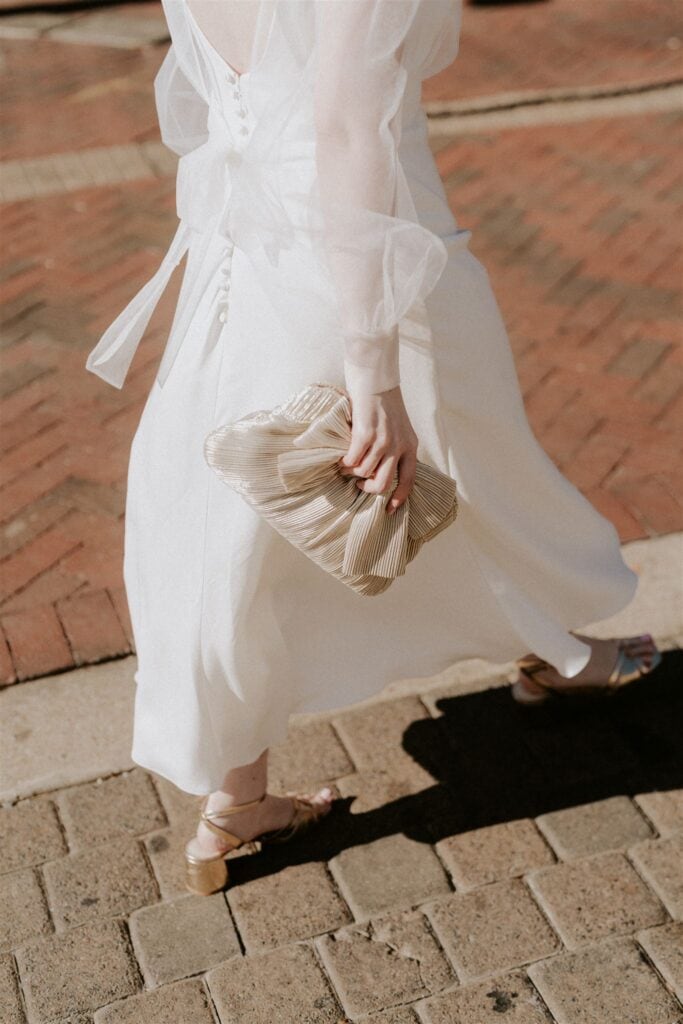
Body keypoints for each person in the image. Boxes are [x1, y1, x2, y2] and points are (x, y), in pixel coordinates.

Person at [85, 0, 661, 896]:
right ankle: (558, 654)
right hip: (363, 248)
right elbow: (348, 124)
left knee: (240, 514)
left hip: (243, 251)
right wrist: (373, 370)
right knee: (455, 463)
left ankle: (236, 799)